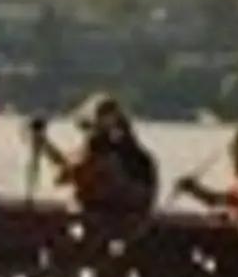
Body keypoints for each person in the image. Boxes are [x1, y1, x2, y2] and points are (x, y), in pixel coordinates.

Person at [30, 94, 159, 221]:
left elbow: (70, 171)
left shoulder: (112, 145)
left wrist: (45, 146)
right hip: (123, 207)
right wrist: (44, 144)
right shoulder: (109, 142)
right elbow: (70, 165)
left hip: (123, 208)